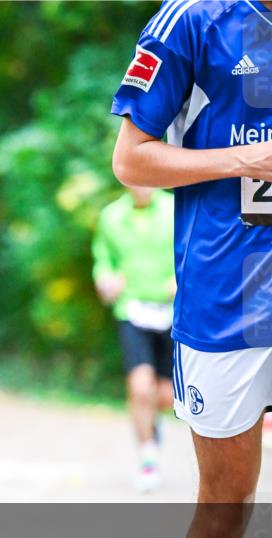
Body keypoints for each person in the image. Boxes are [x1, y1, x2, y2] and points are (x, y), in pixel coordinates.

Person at [112, 1, 272, 538]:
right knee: (226, 508)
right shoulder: (192, 20)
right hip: (226, 296)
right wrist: (241, 158)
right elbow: (132, 162)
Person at [93, 185, 177, 492]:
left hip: (171, 309)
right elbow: (103, 259)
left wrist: (181, 278)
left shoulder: (174, 207)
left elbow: (193, 249)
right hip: (132, 309)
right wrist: (105, 280)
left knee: (166, 396)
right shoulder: (112, 216)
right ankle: (148, 458)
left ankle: (150, 421)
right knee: (140, 386)